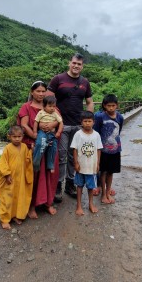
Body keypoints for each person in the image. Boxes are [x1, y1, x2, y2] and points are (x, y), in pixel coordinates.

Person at [47, 53, 94, 202]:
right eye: (74, 63)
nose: (76, 66)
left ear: (82, 66)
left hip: (78, 125)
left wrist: (88, 120)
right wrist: (53, 121)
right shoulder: (58, 79)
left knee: (74, 157)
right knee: (61, 157)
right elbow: (48, 101)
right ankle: (58, 186)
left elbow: (90, 102)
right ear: (69, 63)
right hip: (62, 125)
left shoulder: (85, 82)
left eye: (79, 64)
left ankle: (70, 184)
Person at [18, 81, 60, 218]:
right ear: (32, 92)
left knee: (49, 173)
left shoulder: (50, 104)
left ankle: (48, 202)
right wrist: (36, 137)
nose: (41, 94)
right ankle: (31, 206)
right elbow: (24, 125)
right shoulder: (26, 107)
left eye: (43, 91)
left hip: (50, 145)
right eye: (38, 91)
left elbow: (59, 121)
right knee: (33, 176)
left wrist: (52, 125)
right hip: (34, 145)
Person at [0, 125, 33, 229]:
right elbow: (3, 163)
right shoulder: (7, 148)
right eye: (14, 136)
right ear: (9, 136)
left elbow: (27, 160)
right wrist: (6, 174)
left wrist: (31, 151)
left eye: (19, 136)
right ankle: (5, 219)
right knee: (7, 199)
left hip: (20, 180)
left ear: (23, 136)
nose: (17, 139)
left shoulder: (24, 147)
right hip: (10, 179)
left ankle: (16, 215)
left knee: (19, 198)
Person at [70, 111, 103, 216]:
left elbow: (98, 150)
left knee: (90, 187)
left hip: (92, 167)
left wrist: (98, 163)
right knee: (79, 186)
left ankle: (90, 203)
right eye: (85, 121)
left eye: (89, 121)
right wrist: (75, 163)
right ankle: (79, 205)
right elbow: (74, 149)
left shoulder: (96, 135)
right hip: (81, 166)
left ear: (93, 122)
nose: (87, 123)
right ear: (81, 122)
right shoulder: (78, 134)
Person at [93, 94, 124, 204]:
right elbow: (95, 132)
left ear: (117, 105)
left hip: (115, 150)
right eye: (108, 106)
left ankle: (107, 193)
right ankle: (103, 194)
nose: (111, 108)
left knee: (111, 172)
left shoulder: (120, 117)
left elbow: (118, 132)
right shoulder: (100, 117)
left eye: (113, 105)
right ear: (104, 106)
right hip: (103, 150)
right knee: (103, 171)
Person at [32, 95, 63, 172]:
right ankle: (36, 162)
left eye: (54, 106)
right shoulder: (41, 113)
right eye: (50, 106)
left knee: (53, 147)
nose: (52, 108)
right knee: (39, 144)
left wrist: (59, 132)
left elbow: (61, 122)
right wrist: (35, 132)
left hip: (52, 134)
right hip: (42, 133)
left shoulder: (55, 113)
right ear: (44, 106)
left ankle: (50, 165)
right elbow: (36, 122)